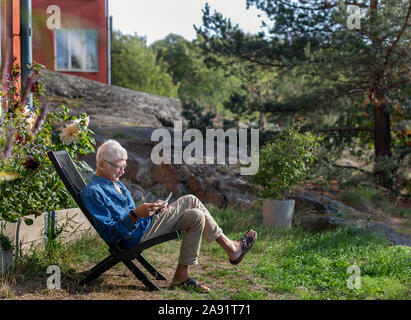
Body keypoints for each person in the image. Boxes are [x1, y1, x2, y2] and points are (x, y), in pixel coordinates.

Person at [79, 139, 257, 293]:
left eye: (124, 167)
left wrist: (152, 210)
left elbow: (132, 214)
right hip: (134, 237)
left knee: (196, 216)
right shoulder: (94, 192)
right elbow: (110, 234)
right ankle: (232, 249)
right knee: (190, 200)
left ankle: (181, 276)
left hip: (144, 226)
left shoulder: (115, 183)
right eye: (118, 167)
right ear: (102, 164)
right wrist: (135, 215)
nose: (122, 172)